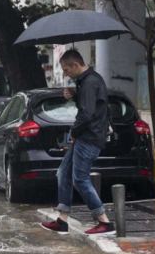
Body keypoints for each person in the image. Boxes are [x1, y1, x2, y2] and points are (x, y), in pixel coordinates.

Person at [41, 49, 115, 236]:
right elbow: (90, 107)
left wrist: (74, 132)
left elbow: (87, 114)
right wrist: (74, 96)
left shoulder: (90, 83)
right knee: (63, 173)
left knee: (80, 179)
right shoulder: (87, 82)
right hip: (86, 136)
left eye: (66, 70)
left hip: (89, 137)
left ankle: (104, 222)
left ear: (75, 65)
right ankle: (62, 220)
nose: (65, 73)